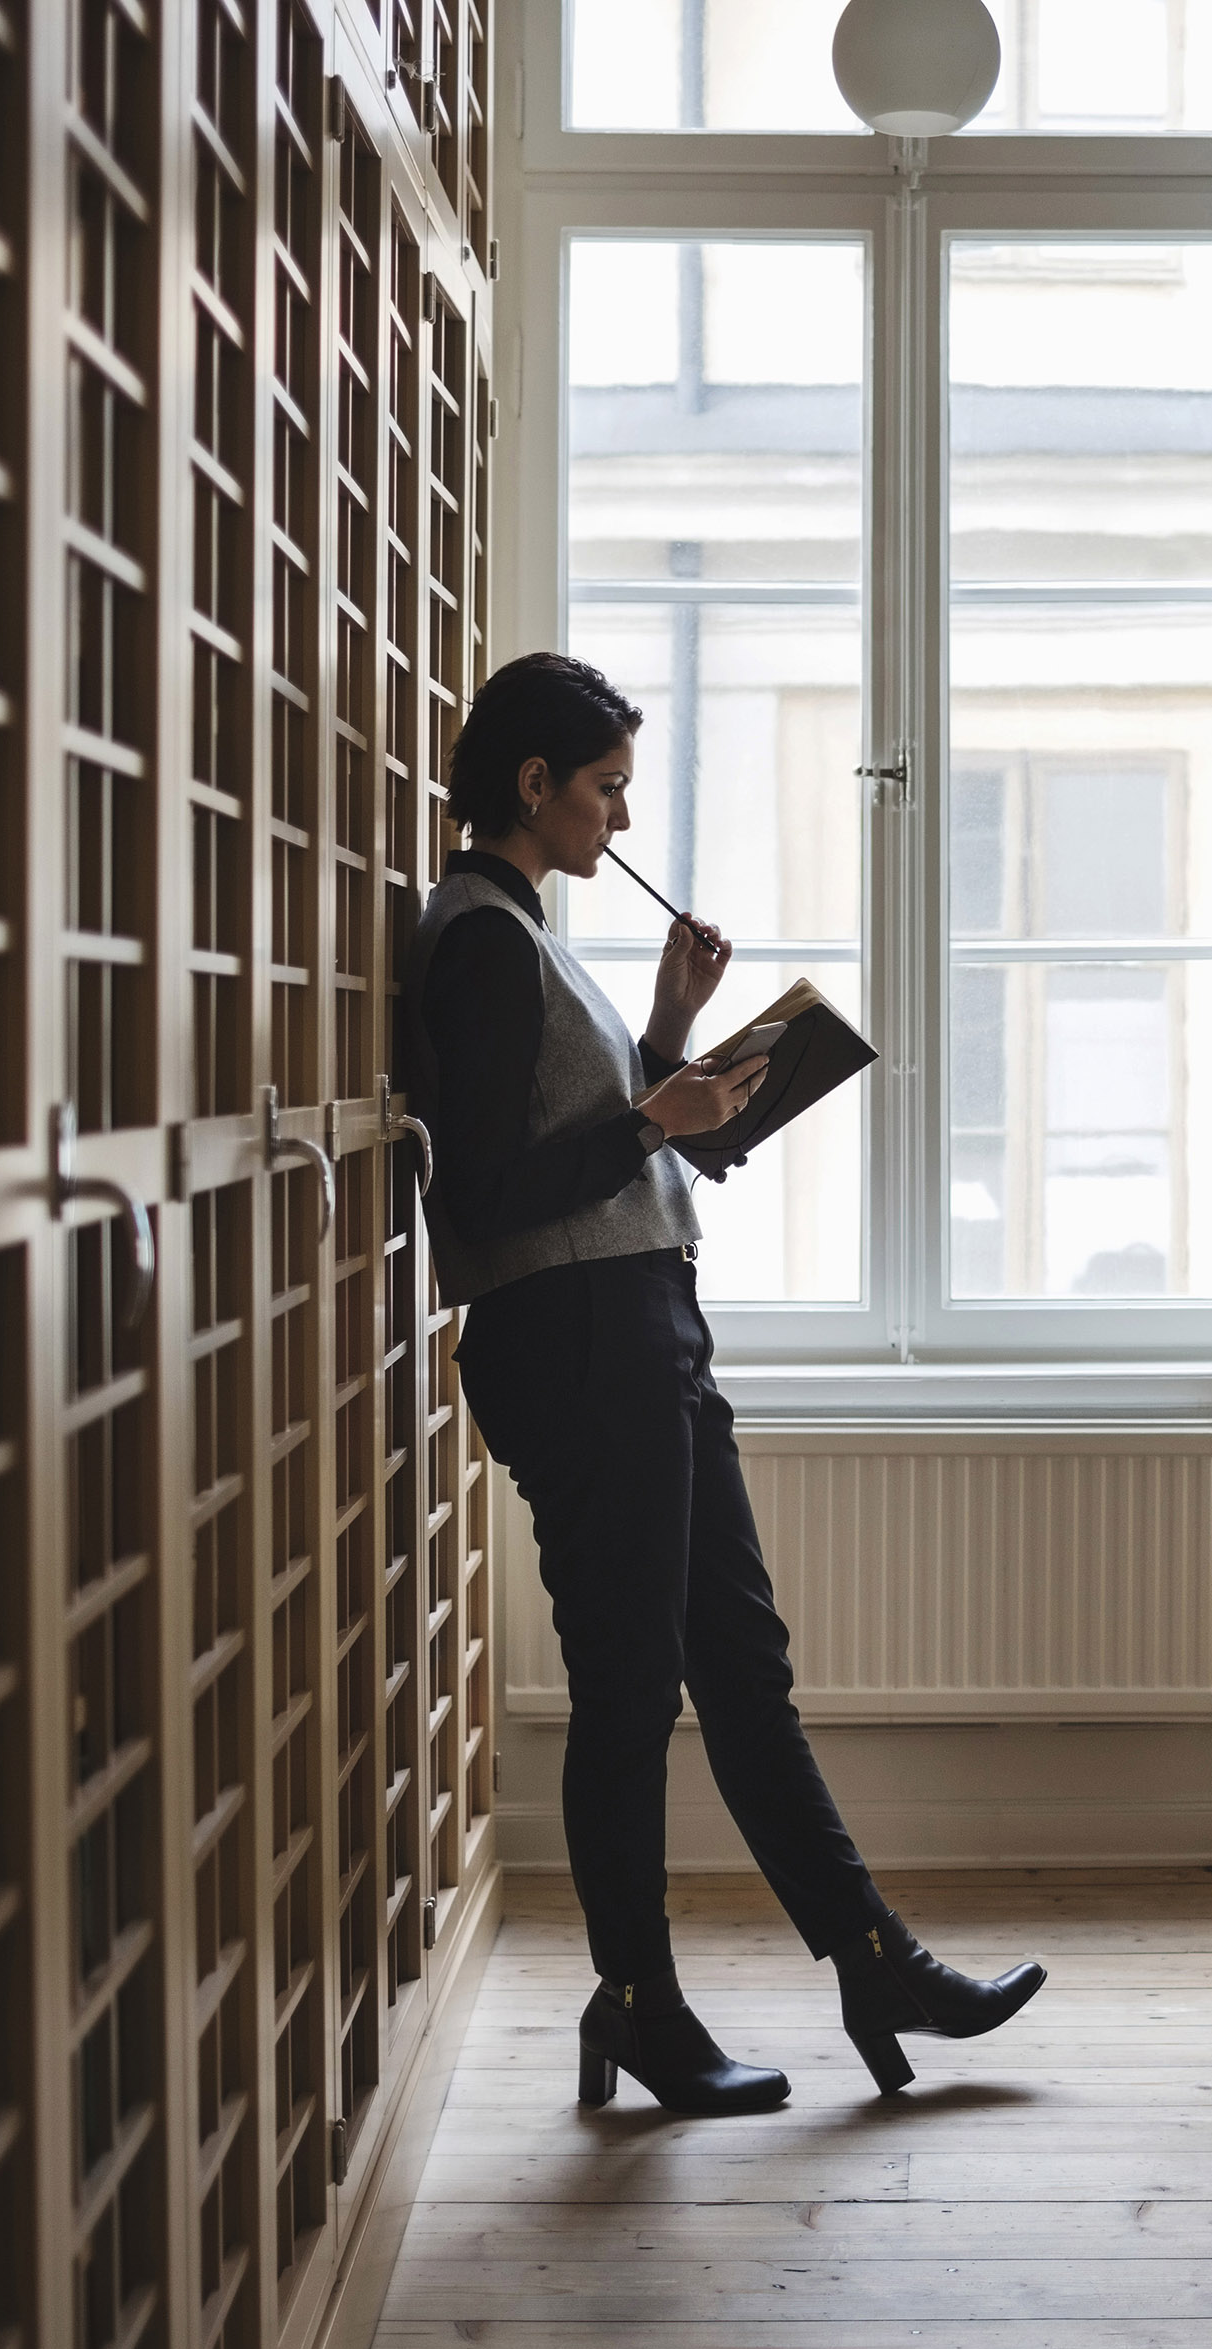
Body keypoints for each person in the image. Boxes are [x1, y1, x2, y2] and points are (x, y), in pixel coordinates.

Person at [412, 651, 1043, 2112]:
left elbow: (604, 1138)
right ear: (533, 784)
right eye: (608, 786)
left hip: (643, 1333)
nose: (621, 821)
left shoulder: (525, 931)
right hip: (579, 1349)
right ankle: (640, 2004)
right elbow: (487, 1204)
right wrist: (652, 1113)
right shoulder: (477, 941)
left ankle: (871, 1956)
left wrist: (673, 1038)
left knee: (742, 1670)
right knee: (632, 1690)